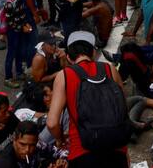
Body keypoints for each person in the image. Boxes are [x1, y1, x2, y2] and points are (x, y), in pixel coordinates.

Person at [46, 30, 128, 167]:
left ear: (68, 57)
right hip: (116, 146)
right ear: (93, 53)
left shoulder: (64, 75)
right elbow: (123, 108)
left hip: (82, 150)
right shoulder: (109, 69)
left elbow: (52, 123)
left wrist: (60, 139)